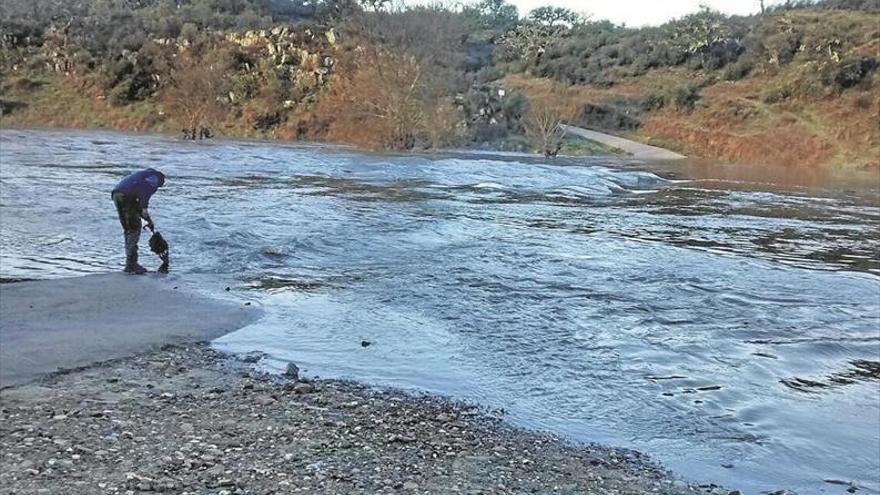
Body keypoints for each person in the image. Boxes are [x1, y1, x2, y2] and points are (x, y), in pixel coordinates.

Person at [111, 168, 165, 274]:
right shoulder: (154, 179)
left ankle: (130, 263)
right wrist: (146, 214)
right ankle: (131, 264)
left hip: (117, 194)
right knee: (134, 229)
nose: (156, 189)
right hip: (126, 196)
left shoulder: (143, 175)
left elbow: (137, 204)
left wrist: (148, 221)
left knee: (128, 228)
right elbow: (143, 201)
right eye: (158, 187)